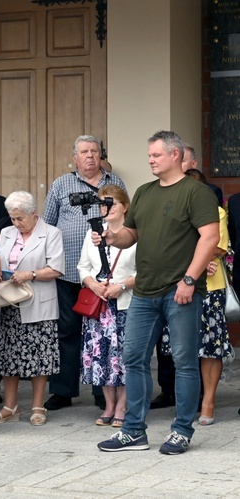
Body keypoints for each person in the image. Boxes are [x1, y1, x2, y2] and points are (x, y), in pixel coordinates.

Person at [95, 130, 219, 455]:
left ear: (175, 155)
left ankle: (181, 431)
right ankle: (134, 431)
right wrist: (109, 237)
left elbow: (209, 238)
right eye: (149, 155)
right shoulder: (145, 192)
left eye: (156, 155)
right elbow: (130, 236)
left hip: (181, 292)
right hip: (145, 292)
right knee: (133, 358)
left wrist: (190, 280)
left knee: (183, 361)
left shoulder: (196, 192)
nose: (150, 160)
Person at [42, 135, 127, 411]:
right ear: (75, 157)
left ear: (101, 155)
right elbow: (48, 226)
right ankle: (63, 390)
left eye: (94, 151)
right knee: (67, 331)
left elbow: (128, 218)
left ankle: (104, 393)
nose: (90, 156)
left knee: (106, 334)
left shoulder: (114, 183)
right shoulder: (60, 184)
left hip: (107, 276)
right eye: (84, 152)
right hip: (69, 272)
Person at [0, 191, 65, 426]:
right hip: (8, 302)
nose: (16, 223)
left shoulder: (51, 233)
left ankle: (37, 405)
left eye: (20, 218)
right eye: (12, 218)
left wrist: (30, 274)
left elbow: (56, 269)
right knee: (7, 355)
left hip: (37, 302)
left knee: (39, 357)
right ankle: (10, 406)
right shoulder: (6, 233)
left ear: (34, 213)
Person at [158, 203, 230, 426]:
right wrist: (196, 262)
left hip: (210, 288)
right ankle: (186, 402)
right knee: (182, 347)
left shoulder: (216, 211)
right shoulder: (170, 209)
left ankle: (208, 401)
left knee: (210, 347)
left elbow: (219, 246)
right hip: (177, 285)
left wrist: (197, 261)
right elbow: (163, 246)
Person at [77, 185, 137, 427]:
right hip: (99, 307)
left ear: (125, 206)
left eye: (111, 203)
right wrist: (94, 285)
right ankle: (109, 406)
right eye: (102, 204)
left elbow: (144, 272)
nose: (106, 208)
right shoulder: (94, 233)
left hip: (125, 304)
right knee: (101, 356)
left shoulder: (134, 235)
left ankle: (123, 407)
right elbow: (82, 267)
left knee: (123, 357)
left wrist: (120, 286)